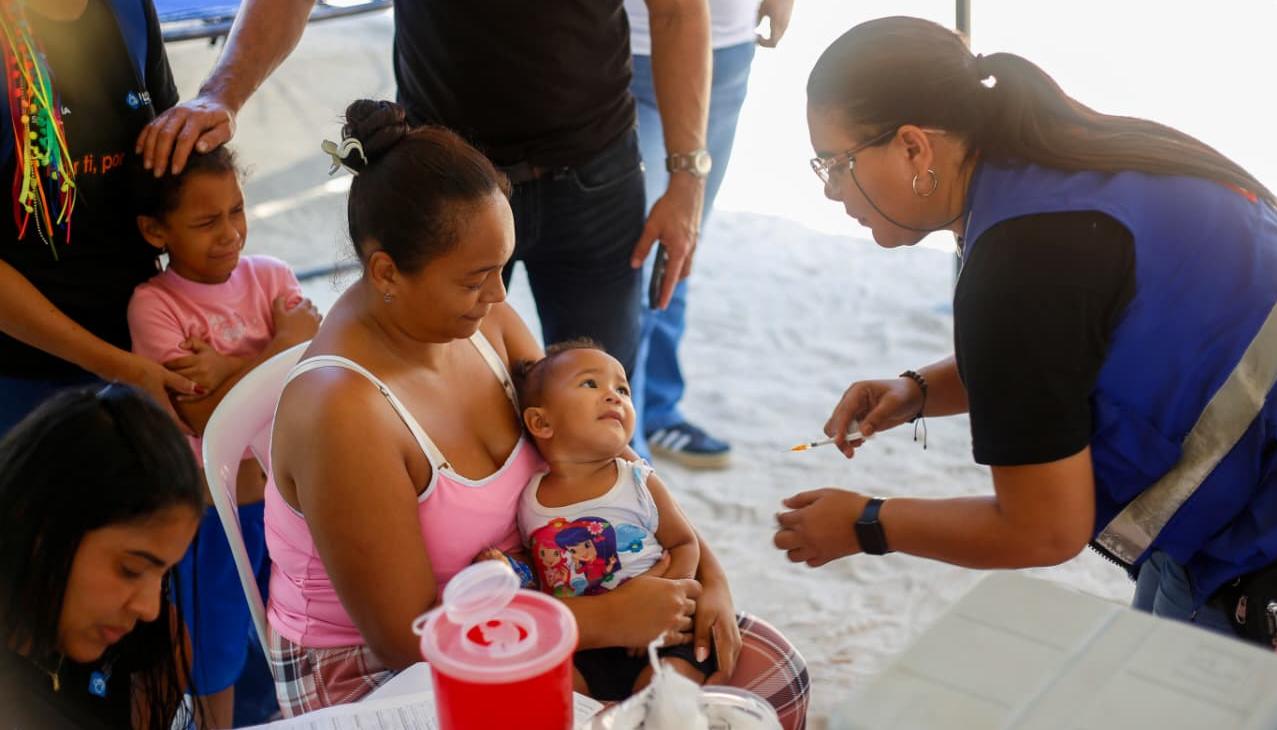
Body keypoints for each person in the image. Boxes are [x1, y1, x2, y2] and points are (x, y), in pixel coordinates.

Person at [265, 100, 808, 728]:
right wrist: (604, 620)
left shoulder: (480, 321)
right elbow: (404, 639)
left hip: (547, 586)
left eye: (500, 269)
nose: (498, 295)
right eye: (476, 279)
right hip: (380, 666)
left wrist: (705, 572)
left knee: (774, 676)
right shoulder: (343, 410)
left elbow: (600, 442)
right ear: (387, 271)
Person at [774, 16, 1277, 641]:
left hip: (1258, 538)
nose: (828, 192)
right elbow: (1077, 341)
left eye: (834, 163)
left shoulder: (1018, 267)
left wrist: (868, 523)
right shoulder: (1063, 153)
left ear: (912, 147)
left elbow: (1043, 529)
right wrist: (921, 390)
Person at [136, 0, 714, 382]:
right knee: (435, 393)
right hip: (450, 189)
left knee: (601, 391)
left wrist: (687, 177)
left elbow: (677, 11)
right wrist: (221, 93)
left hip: (596, 171)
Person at [127, 147, 320, 727]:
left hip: (288, 504)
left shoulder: (272, 275)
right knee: (215, 652)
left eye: (237, 211)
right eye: (206, 222)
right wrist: (277, 347)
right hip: (211, 514)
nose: (231, 233)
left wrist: (233, 369)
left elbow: (313, 371)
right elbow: (207, 420)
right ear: (155, 230)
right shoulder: (155, 306)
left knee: (289, 632)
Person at [0, 0, 201, 436]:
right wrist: (113, 365)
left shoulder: (129, 9)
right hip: (24, 378)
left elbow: (169, 180)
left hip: (142, 352)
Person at [626, 0, 794, 468]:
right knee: (636, 249)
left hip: (728, 43)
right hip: (632, 40)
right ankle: (625, 440)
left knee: (684, 236)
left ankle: (658, 408)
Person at [511, 339, 716, 700]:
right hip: (587, 644)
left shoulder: (637, 479)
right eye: (591, 383)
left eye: (622, 388)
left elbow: (684, 544)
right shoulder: (530, 500)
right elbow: (545, 565)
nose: (614, 395)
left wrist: (663, 606)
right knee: (547, 682)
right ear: (541, 422)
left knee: (669, 683)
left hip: (663, 636)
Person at [0, 384, 203, 729]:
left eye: (164, 573)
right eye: (131, 569)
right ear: (37, 526)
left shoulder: (131, 633)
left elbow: (169, 642)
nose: (148, 608)